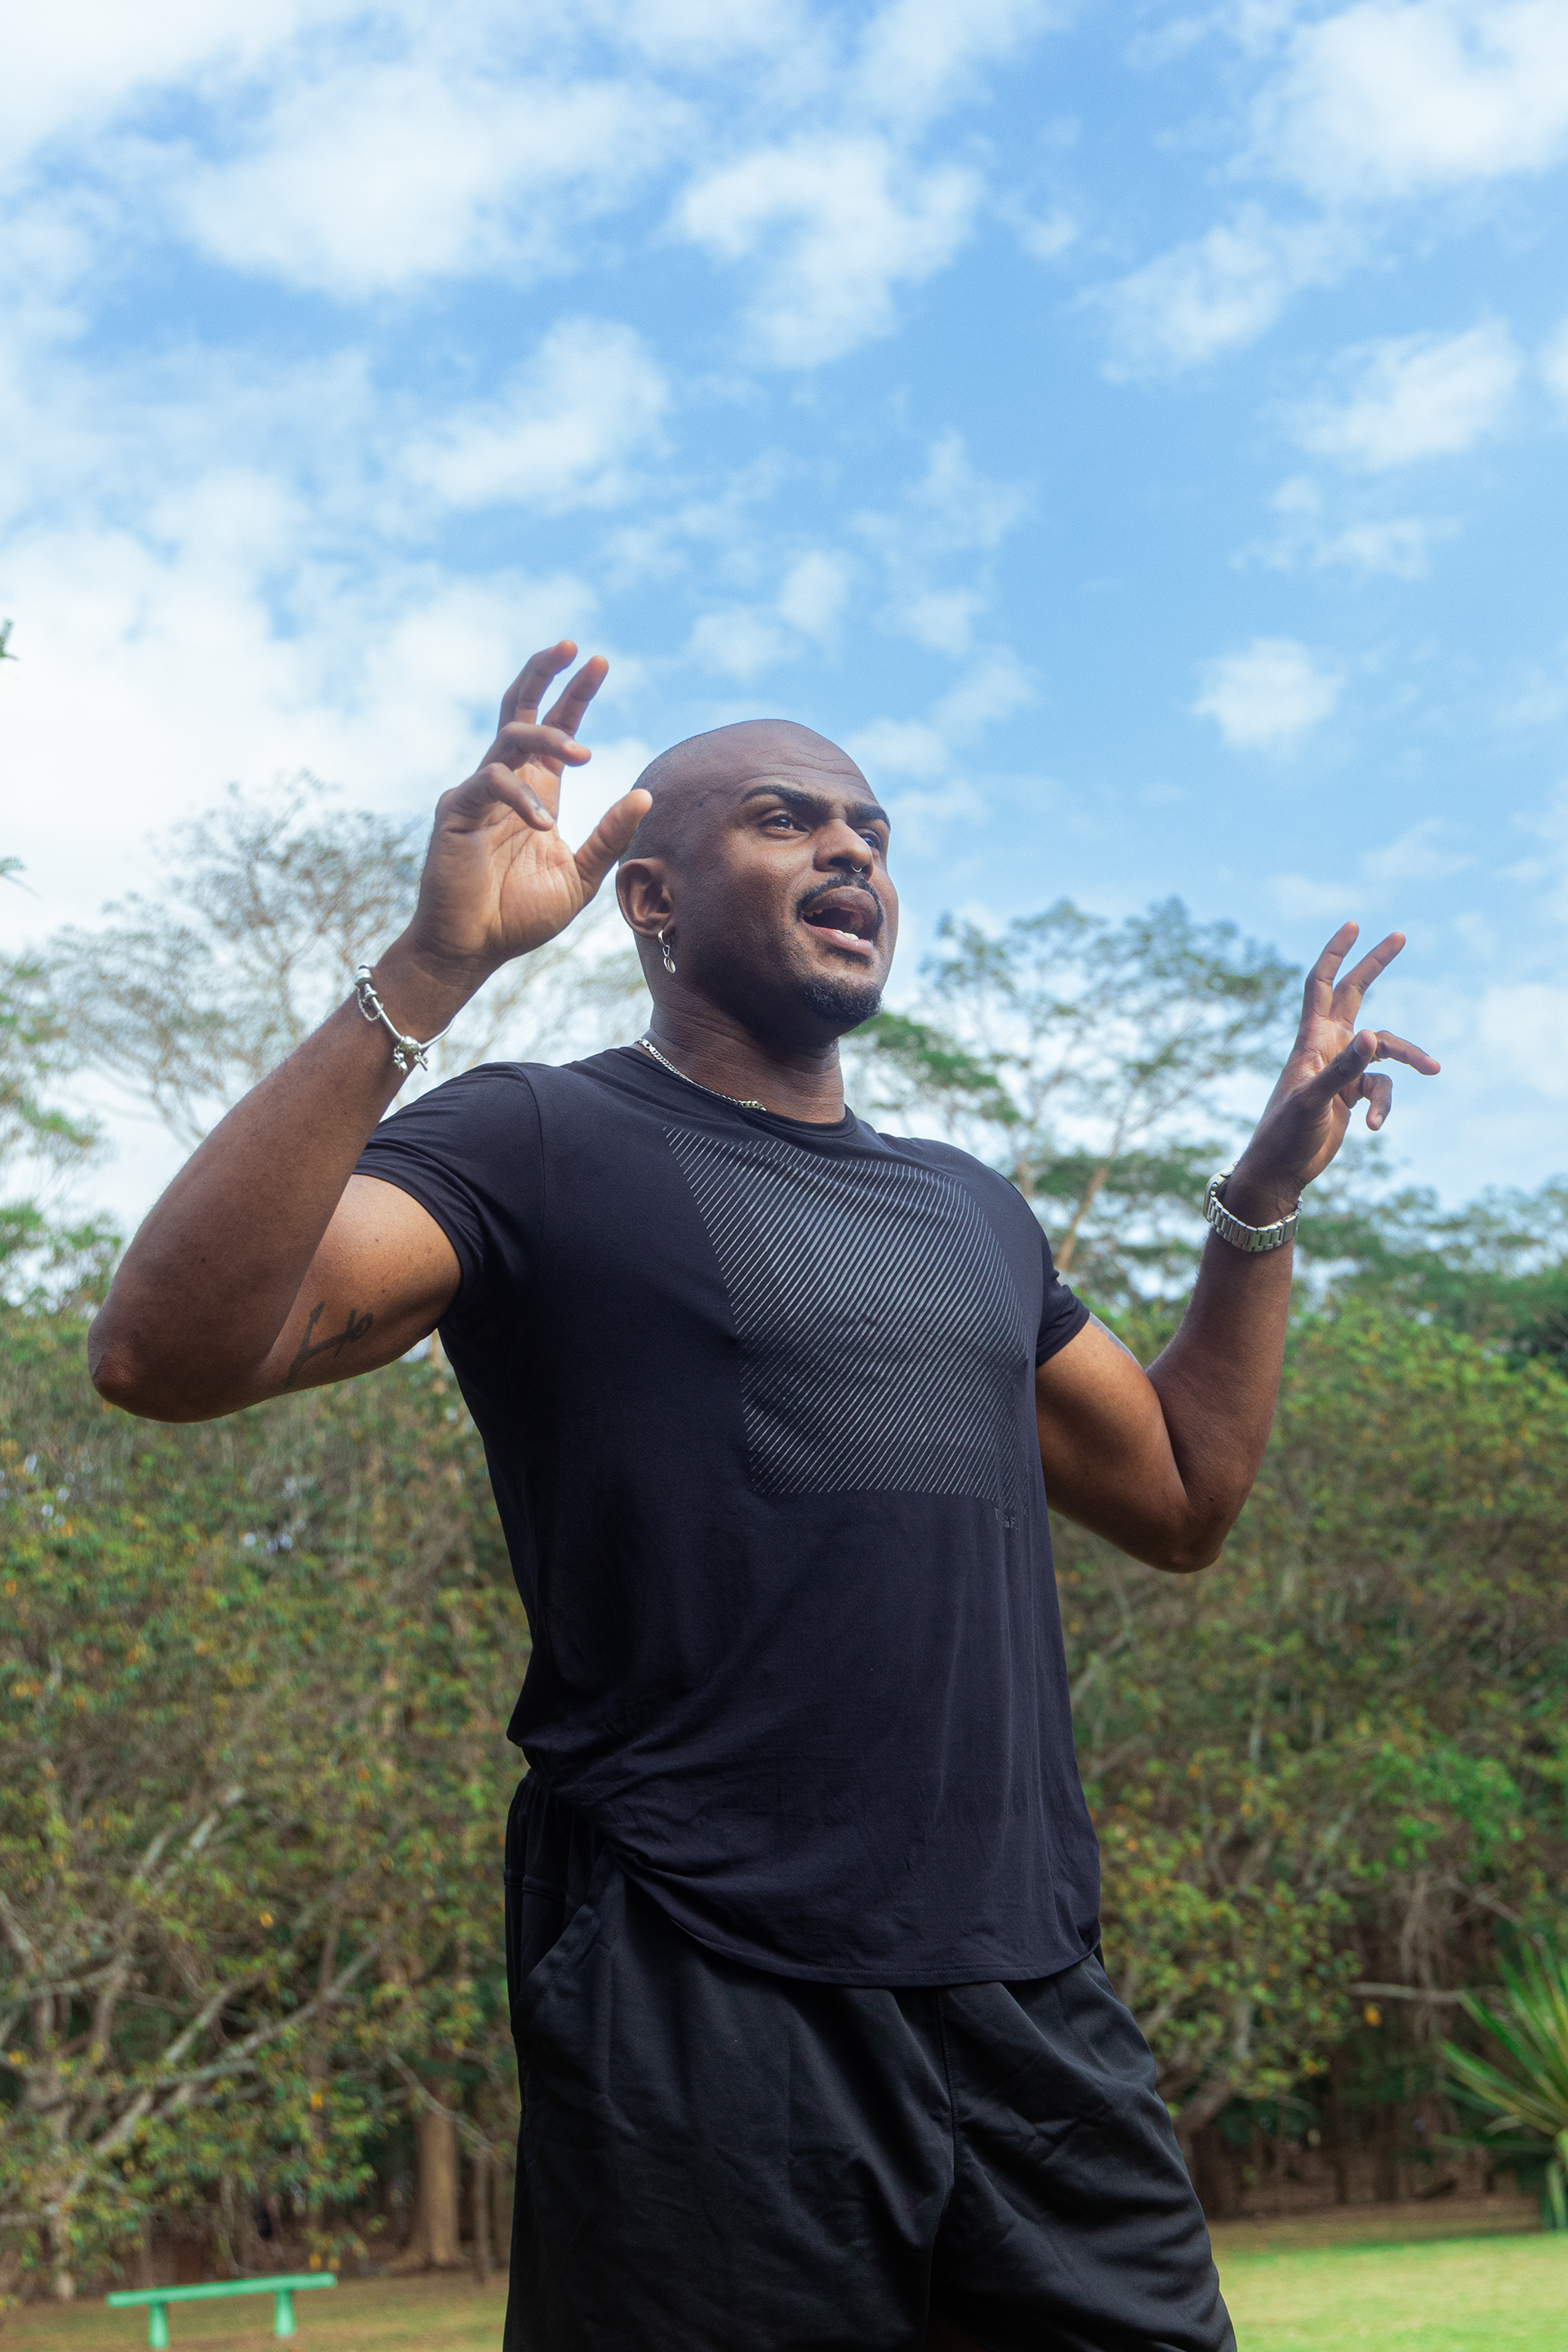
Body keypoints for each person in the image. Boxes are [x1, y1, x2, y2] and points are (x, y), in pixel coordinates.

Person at [91, 641, 1439, 2352]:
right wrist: (434, 967)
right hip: (704, 1985)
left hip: (1030, 1994)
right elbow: (168, 1353)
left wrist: (1257, 1203)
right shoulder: (536, 1142)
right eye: (787, 820)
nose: (852, 850)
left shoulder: (969, 1212)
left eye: (872, 830)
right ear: (648, 899)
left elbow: (1181, 1497)